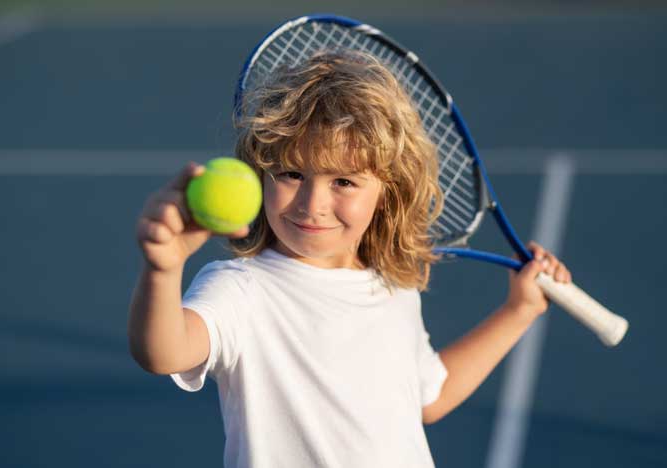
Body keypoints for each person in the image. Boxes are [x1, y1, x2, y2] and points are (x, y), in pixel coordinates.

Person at [127, 51, 571, 468]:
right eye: (291, 174)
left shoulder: (393, 289)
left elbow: (428, 397)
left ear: (387, 192)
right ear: (261, 173)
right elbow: (165, 352)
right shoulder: (241, 289)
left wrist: (520, 310)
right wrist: (163, 269)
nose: (312, 203)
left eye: (343, 181)